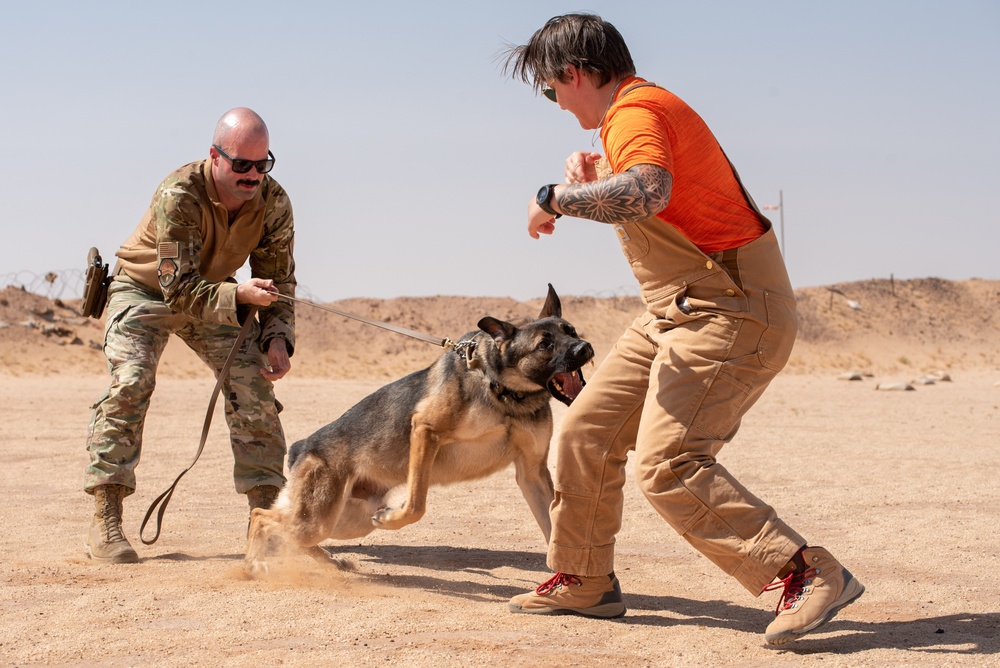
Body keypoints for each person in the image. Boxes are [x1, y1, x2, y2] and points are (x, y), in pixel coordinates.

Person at [501, 14, 864, 645]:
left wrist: (554, 196)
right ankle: (583, 578)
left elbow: (648, 189)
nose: (554, 103)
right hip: (676, 309)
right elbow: (653, 194)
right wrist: (593, 183)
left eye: (549, 89)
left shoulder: (636, 113)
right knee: (586, 433)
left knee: (669, 463)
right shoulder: (628, 120)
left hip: (731, 308)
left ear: (577, 74)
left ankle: (802, 572)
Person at [83, 108, 296, 564]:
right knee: (132, 380)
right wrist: (238, 295)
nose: (253, 175)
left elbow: (279, 280)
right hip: (146, 291)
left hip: (217, 295)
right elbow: (176, 287)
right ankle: (106, 516)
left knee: (252, 384)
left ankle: (265, 524)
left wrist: (277, 337)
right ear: (215, 157)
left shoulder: (274, 202)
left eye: (263, 164)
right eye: (242, 164)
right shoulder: (179, 193)